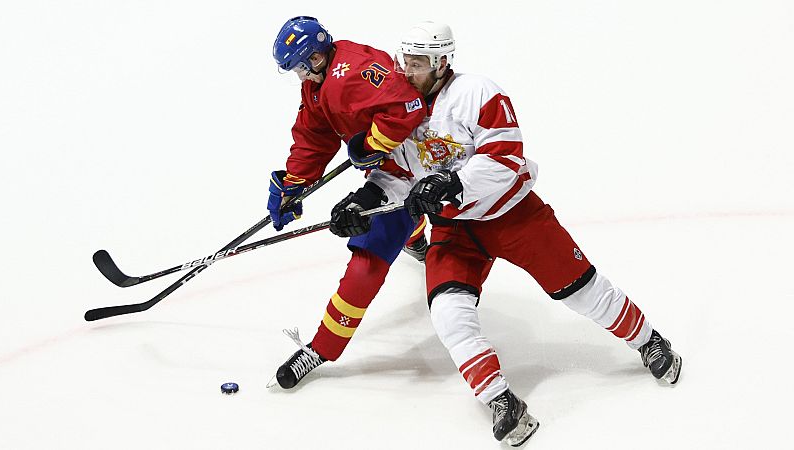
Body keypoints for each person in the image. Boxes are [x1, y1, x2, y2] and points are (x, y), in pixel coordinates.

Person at [329, 22, 683, 447]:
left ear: (443, 62)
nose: (408, 71)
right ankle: (501, 400)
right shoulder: (400, 106)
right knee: (447, 314)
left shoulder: (477, 92)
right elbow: (398, 175)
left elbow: (506, 154)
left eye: (418, 63)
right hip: (455, 230)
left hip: (512, 215)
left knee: (582, 291)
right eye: (406, 60)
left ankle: (650, 341)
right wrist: (363, 201)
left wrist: (452, 182)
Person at [266, 16, 430, 390]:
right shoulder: (317, 86)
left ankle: (320, 349)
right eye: (297, 70)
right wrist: (295, 182)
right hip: (394, 173)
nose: (302, 75)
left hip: (430, 165)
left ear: (319, 56)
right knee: (383, 230)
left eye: (304, 67)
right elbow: (314, 135)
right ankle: (416, 235)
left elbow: (409, 107)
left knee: (365, 264)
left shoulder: (353, 71)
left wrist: (371, 144)